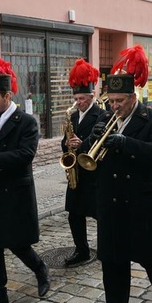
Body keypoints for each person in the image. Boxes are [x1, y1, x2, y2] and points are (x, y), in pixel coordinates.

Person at [87, 45, 152, 303]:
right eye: (110, 101)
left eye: (120, 101)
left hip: (141, 204)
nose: (115, 106)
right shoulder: (104, 117)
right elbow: (89, 153)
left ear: (133, 97)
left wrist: (125, 143)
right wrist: (92, 138)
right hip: (111, 204)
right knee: (113, 264)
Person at [0, 57, 50, 303]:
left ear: (7, 96)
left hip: (14, 191)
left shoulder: (26, 122)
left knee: (17, 242)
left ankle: (41, 269)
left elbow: (25, 155)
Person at [61, 58, 104, 266]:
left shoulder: (102, 114)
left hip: (94, 173)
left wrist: (83, 144)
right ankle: (82, 250)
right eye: (76, 98)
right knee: (74, 215)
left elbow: (100, 139)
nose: (79, 102)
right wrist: (67, 144)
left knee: (99, 214)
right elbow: (65, 143)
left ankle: (105, 247)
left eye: (82, 99)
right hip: (76, 172)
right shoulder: (72, 116)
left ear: (92, 96)